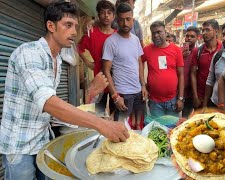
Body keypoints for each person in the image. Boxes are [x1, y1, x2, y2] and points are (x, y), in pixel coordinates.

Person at [0, 1, 129, 179]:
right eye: (68, 25)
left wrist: (90, 93)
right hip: (20, 146)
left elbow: (57, 109)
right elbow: (48, 103)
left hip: (42, 140)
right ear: (51, 26)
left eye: (75, 26)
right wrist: (102, 125)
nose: (74, 32)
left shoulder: (57, 60)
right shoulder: (28, 53)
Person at [102, 2, 147, 128]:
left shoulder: (135, 39)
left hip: (138, 93)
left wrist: (143, 85)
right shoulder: (111, 42)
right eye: (121, 20)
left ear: (133, 19)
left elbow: (139, 62)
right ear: (117, 20)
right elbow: (106, 71)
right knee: (122, 131)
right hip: (122, 94)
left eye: (128, 19)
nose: (125, 23)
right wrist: (115, 96)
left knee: (139, 127)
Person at [142, 21, 184, 127]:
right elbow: (138, 63)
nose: (156, 35)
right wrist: (143, 84)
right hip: (155, 102)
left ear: (165, 32)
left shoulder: (176, 50)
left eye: (159, 32)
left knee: (173, 129)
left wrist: (180, 98)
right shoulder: (147, 50)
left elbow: (181, 75)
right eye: (153, 33)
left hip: (172, 101)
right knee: (159, 130)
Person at [78, 0, 116, 113]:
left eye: (109, 13)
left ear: (113, 16)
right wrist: (87, 62)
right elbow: (78, 48)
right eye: (103, 13)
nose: (106, 16)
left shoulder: (118, 35)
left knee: (116, 114)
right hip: (99, 80)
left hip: (116, 81)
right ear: (98, 15)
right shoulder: (92, 33)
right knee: (97, 113)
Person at [190, 19, 223, 110]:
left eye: (207, 30)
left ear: (216, 31)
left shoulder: (223, 50)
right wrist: (195, 96)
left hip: (217, 97)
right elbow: (193, 73)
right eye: (203, 30)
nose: (204, 33)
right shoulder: (198, 51)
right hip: (200, 97)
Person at [181, 26, 200, 118]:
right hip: (179, 91)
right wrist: (181, 56)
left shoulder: (199, 52)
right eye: (187, 36)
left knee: (186, 117)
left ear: (197, 38)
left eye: (192, 36)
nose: (189, 38)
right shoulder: (179, 51)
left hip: (191, 93)